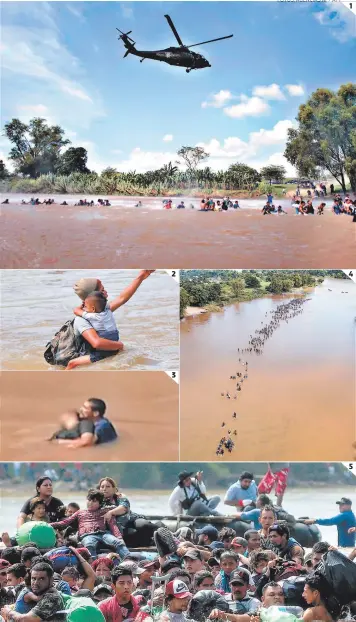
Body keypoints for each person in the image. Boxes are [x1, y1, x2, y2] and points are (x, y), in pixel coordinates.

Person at [66, 270, 154, 369]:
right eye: (102, 290)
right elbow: (97, 342)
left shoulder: (103, 311)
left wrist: (141, 276)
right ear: (93, 296)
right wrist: (119, 345)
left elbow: (123, 298)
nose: (106, 291)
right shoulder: (82, 320)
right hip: (89, 361)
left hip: (105, 355)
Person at [49, 489, 129, 560]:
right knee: (89, 545)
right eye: (89, 500)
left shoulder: (105, 511)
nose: (90, 503)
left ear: (100, 503)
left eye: (94, 501)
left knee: (118, 542)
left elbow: (113, 525)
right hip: (87, 535)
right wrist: (49, 525)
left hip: (104, 534)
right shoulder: (80, 512)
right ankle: (93, 564)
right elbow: (65, 522)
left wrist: (119, 537)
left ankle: (128, 560)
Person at [66, 291, 124, 370]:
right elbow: (122, 298)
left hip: (103, 353)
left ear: (93, 309)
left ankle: (62, 380)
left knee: (72, 363)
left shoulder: (91, 316)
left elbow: (76, 311)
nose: (84, 308)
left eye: (85, 306)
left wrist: (81, 306)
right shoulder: (108, 311)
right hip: (114, 346)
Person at [97, 477, 160, 547]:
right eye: (102, 487)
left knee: (144, 526)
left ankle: (162, 532)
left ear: (114, 489)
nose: (104, 489)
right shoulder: (97, 501)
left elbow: (124, 508)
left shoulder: (120, 497)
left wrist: (110, 513)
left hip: (131, 520)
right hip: (119, 528)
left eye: (108, 486)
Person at [1, 561, 66, 621]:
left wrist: (8, 612)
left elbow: (25, 620)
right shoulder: (35, 591)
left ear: (51, 580)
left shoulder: (52, 597)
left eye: (41, 579)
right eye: (33, 579)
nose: (36, 583)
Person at [52, 398, 117, 448]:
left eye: (85, 408)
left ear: (95, 413)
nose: (81, 409)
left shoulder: (102, 425)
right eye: (82, 406)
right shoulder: (87, 420)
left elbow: (87, 443)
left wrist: (59, 442)